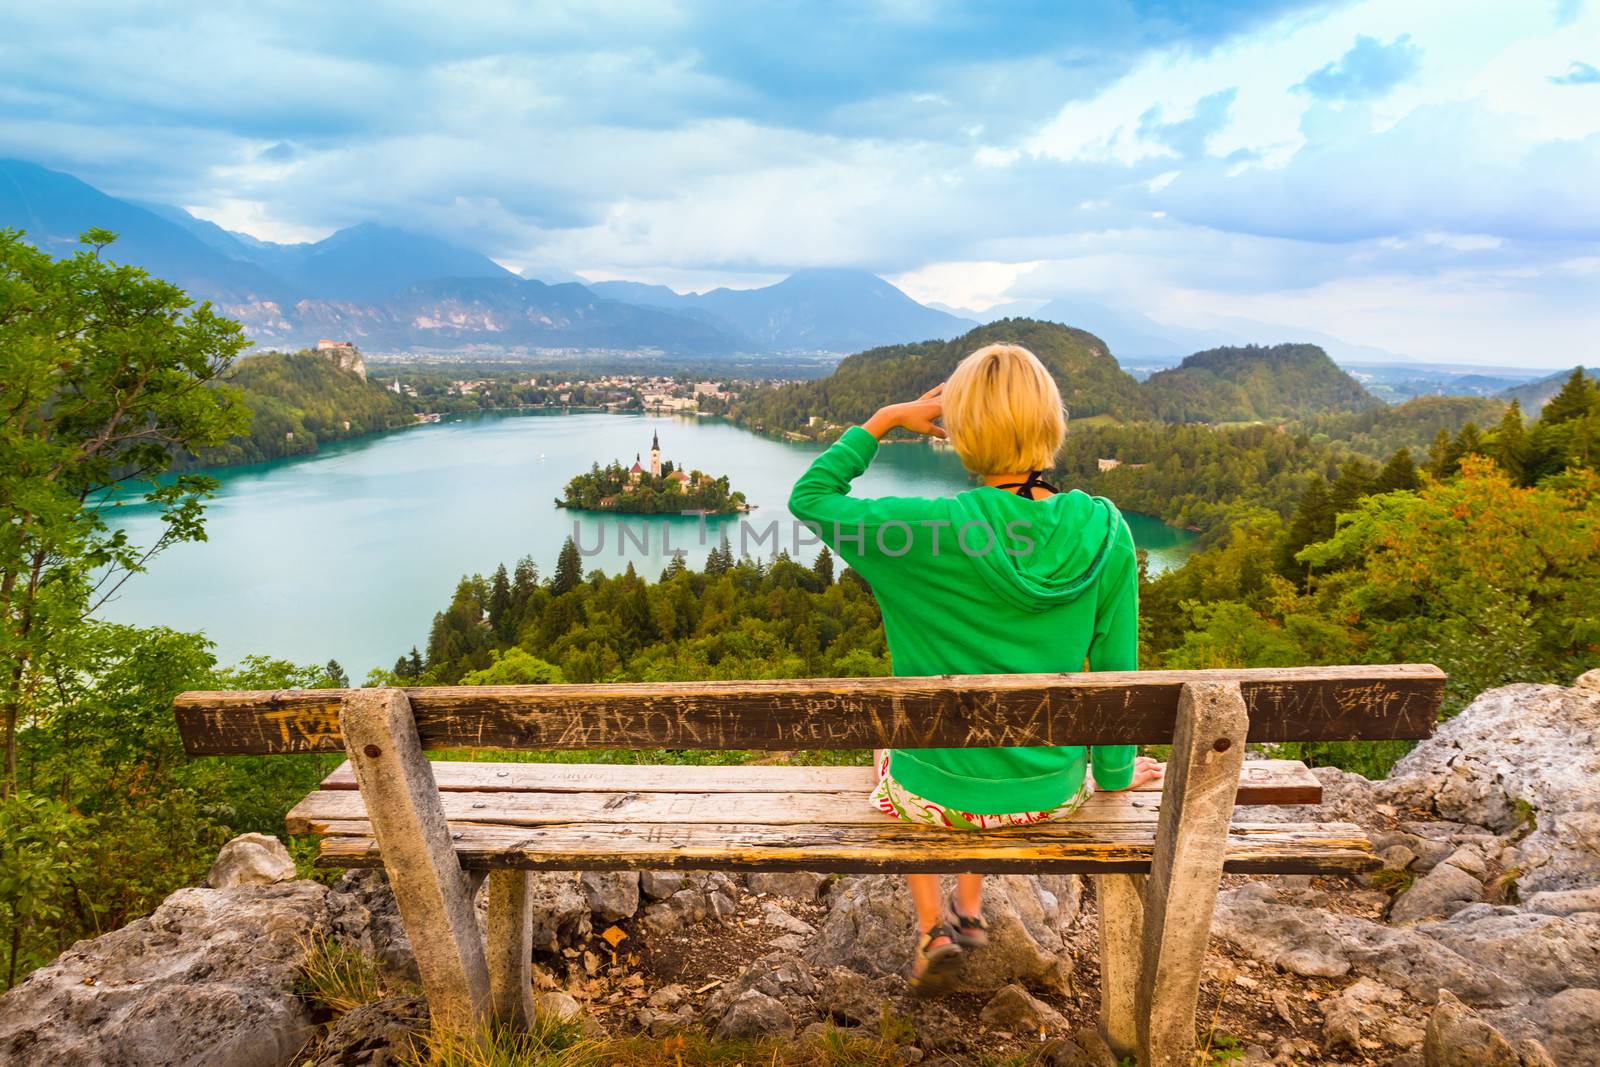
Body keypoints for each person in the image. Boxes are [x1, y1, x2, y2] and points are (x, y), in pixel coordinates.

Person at [788, 342, 1163, 994]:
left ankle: (935, 925)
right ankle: (968, 912)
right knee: (978, 745)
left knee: (899, 742)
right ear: (1051, 421)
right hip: (1049, 796)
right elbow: (1114, 677)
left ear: (961, 430)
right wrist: (1116, 773)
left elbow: (811, 496)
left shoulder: (922, 529)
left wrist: (883, 419)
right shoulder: (1106, 532)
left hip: (933, 799)